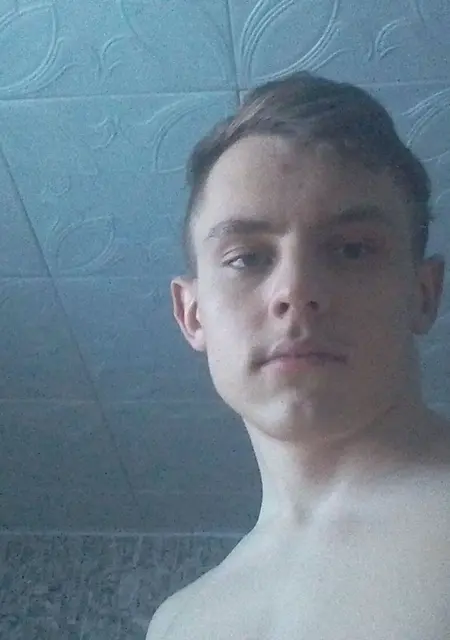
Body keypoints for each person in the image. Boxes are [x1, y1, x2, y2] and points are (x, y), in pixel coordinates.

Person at [147, 71, 450, 639]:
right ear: (192, 314)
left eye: (352, 249)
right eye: (246, 258)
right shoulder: (178, 624)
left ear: (423, 294)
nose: (295, 289)